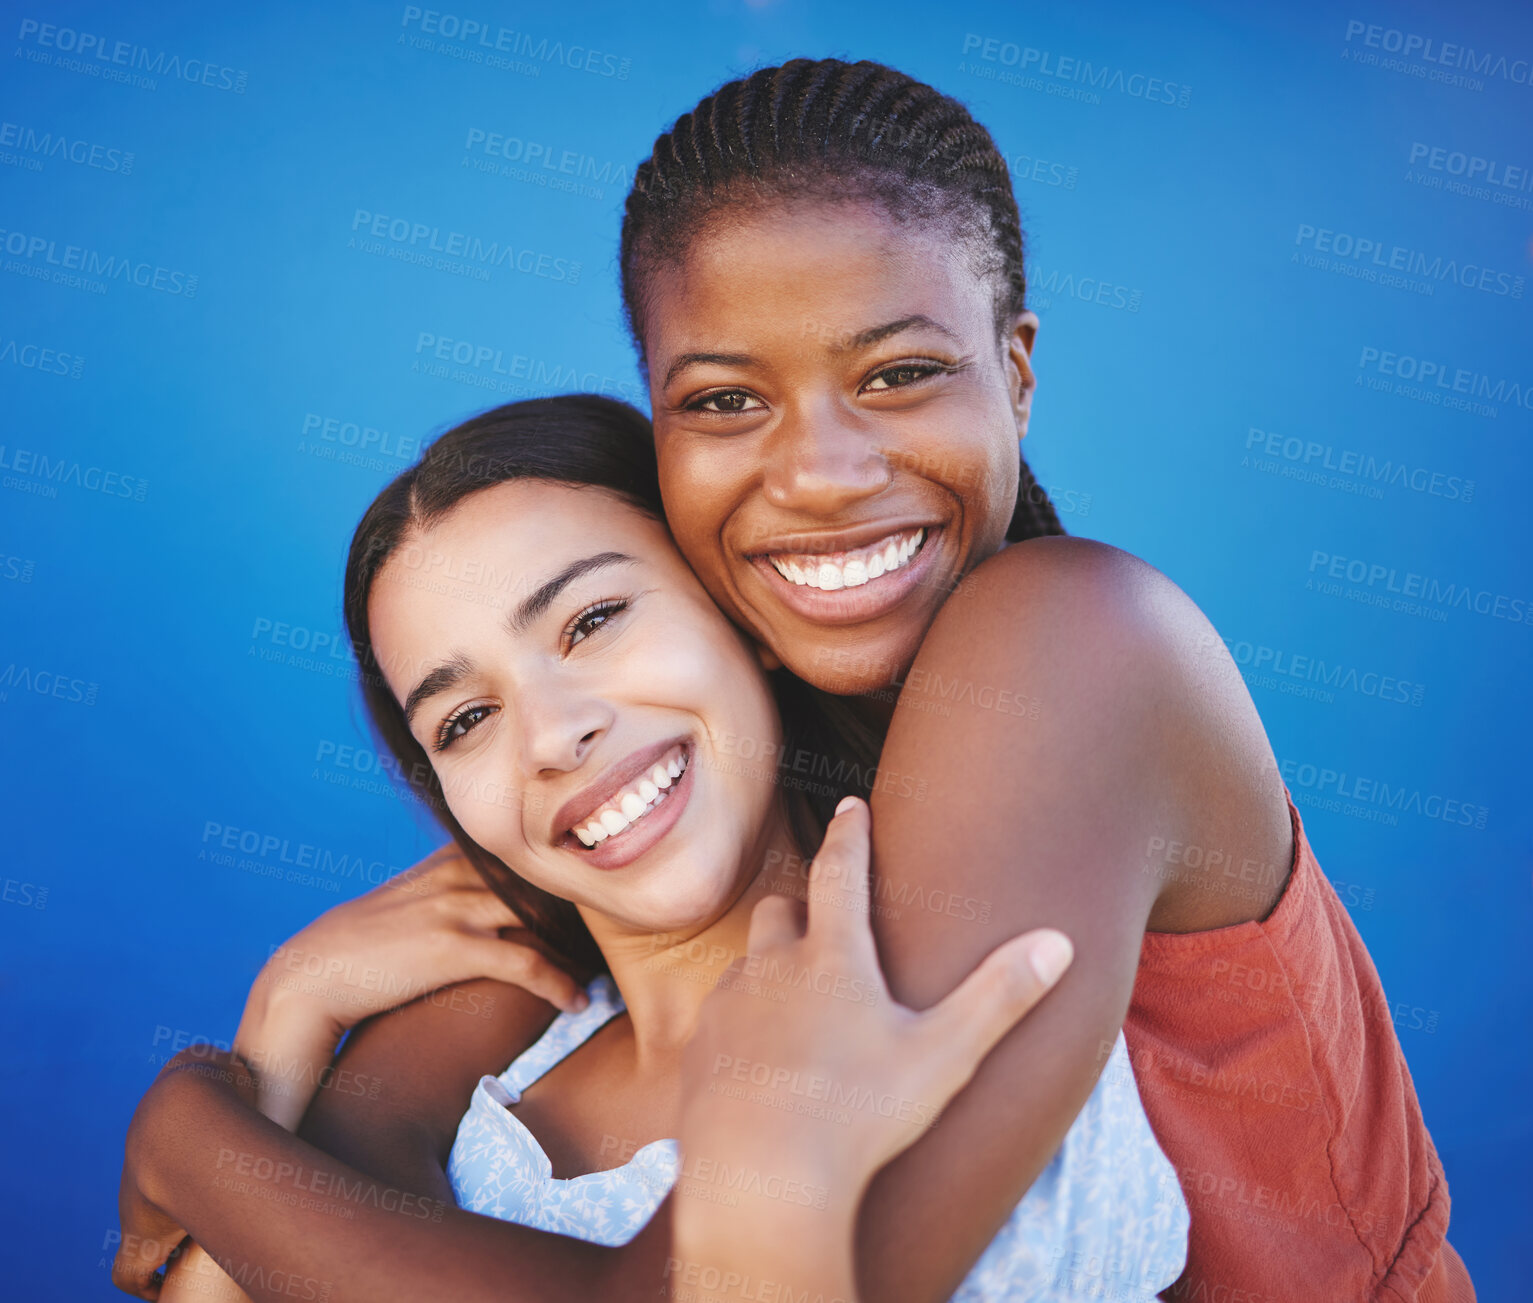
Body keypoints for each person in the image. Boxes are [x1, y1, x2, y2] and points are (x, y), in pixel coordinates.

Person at [126, 55, 1472, 1302]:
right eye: (723, 401)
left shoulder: (1074, 641)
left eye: (898, 371)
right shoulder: (626, 871)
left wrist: (191, 1131)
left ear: (1014, 371)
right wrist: (287, 1012)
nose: (820, 475)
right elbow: (329, 1202)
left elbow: (725, 1280)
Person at [116, 396, 1188, 1302]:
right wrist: (290, 1006)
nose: (551, 735)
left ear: (748, 617)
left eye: (591, 621)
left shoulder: (961, 944)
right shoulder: (480, 1066)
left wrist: (183, 1134)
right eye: (464, 721)